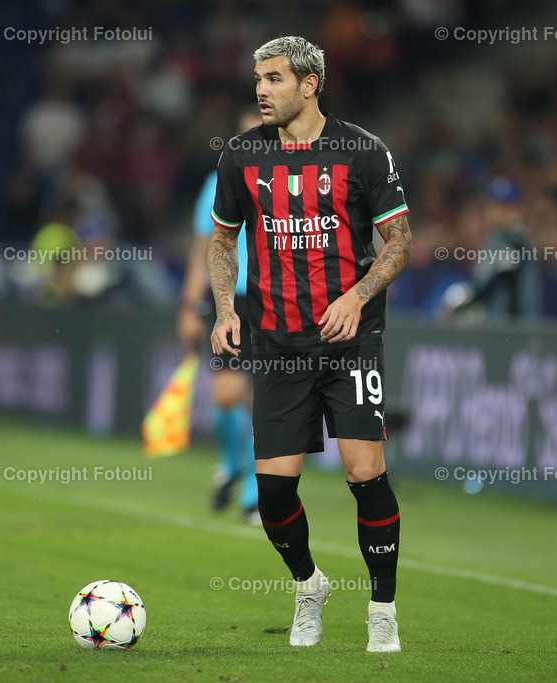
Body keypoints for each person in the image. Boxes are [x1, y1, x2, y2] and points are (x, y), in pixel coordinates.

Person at [207, 36, 411, 653]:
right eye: (258, 78)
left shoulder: (363, 151)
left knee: (364, 469)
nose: (261, 89)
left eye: (273, 78)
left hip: (349, 339)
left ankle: (382, 608)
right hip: (276, 341)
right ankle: (309, 585)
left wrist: (355, 296)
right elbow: (221, 241)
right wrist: (224, 311)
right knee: (272, 490)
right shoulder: (241, 156)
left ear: (310, 82)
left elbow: (399, 241)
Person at [179, 110, 263, 526]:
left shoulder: (288, 182)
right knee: (227, 396)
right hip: (228, 297)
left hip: (274, 298)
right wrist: (190, 307)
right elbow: (201, 251)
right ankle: (232, 464)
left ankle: (252, 492)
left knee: (261, 398)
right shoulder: (217, 184)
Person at [445, 177, 541, 320]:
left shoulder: (514, 241)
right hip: (500, 327)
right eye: (492, 204)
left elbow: (494, 281)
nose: (492, 211)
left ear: (514, 209)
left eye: (501, 206)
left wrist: (460, 302)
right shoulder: (499, 238)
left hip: (514, 329)